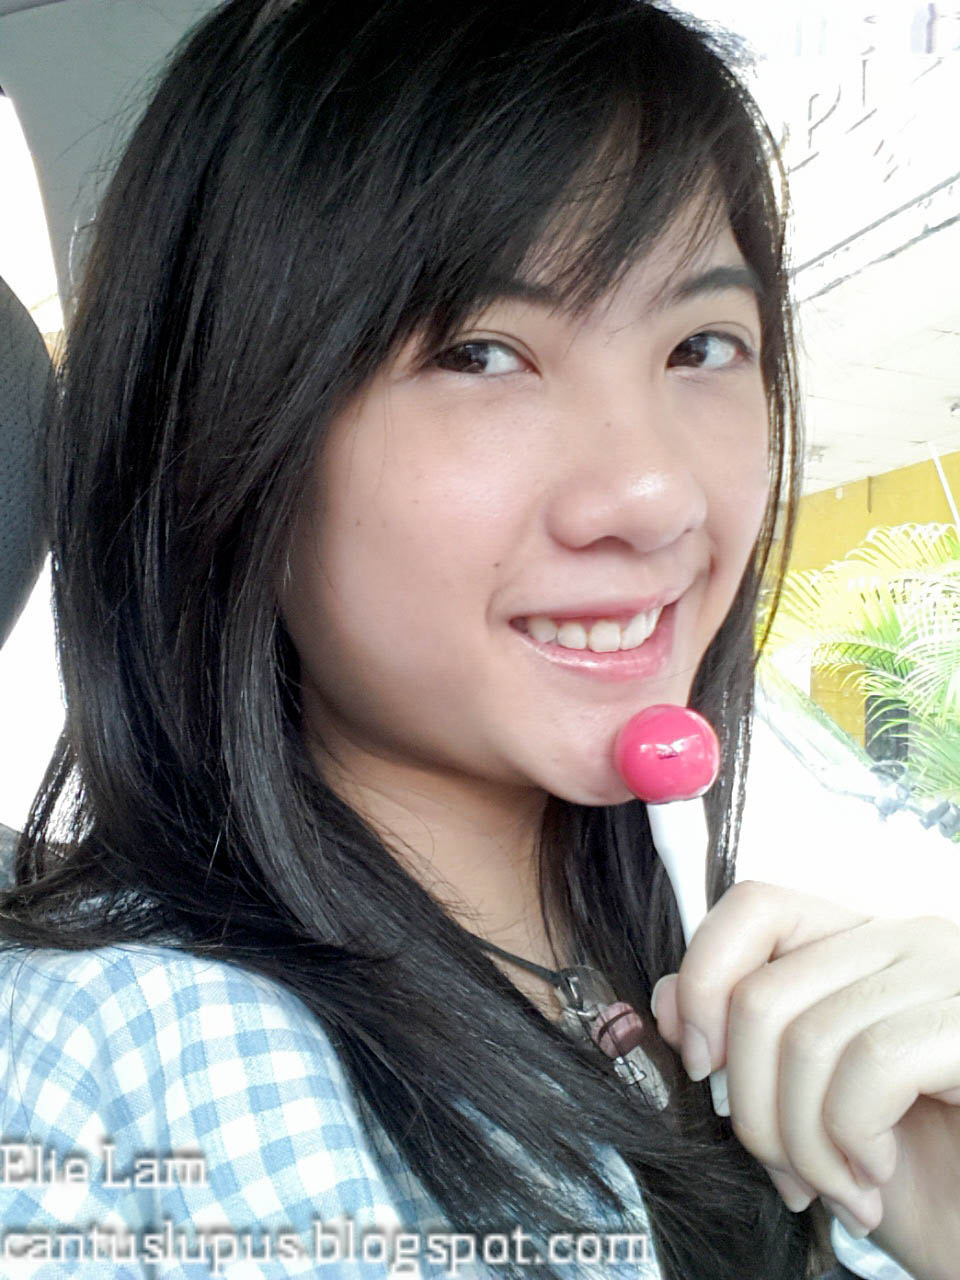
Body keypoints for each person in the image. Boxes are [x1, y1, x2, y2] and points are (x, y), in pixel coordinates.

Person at [1, 1, 958, 1277]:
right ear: (228, 437)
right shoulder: (118, 1064)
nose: (655, 495)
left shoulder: (767, 979)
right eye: (481, 353)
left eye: (703, 345)